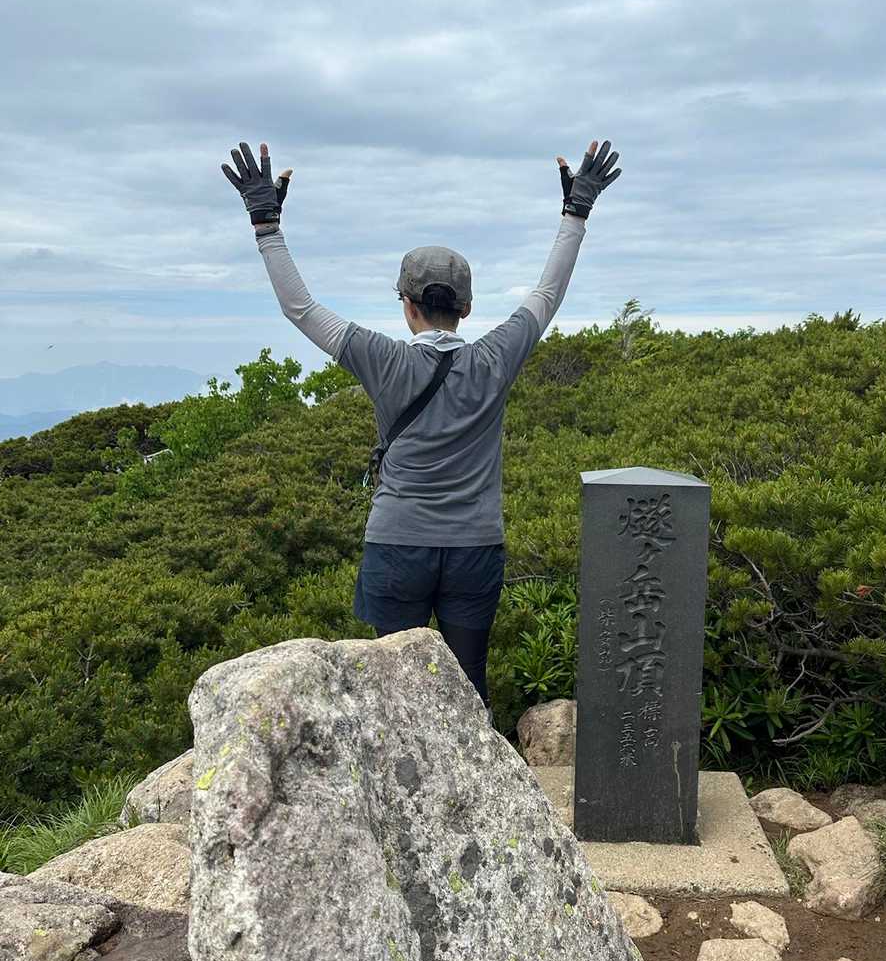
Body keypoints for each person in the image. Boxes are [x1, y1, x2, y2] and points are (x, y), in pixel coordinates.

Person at [221, 137, 622, 721]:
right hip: (475, 546)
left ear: (407, 305)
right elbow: (547, 294)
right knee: (467, 687)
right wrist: (575, 211)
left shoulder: (381, 359)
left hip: (397, 543)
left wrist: (266, 226)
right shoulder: (495, 357)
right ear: (466, 308)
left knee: (393, 693)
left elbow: (299, 308)